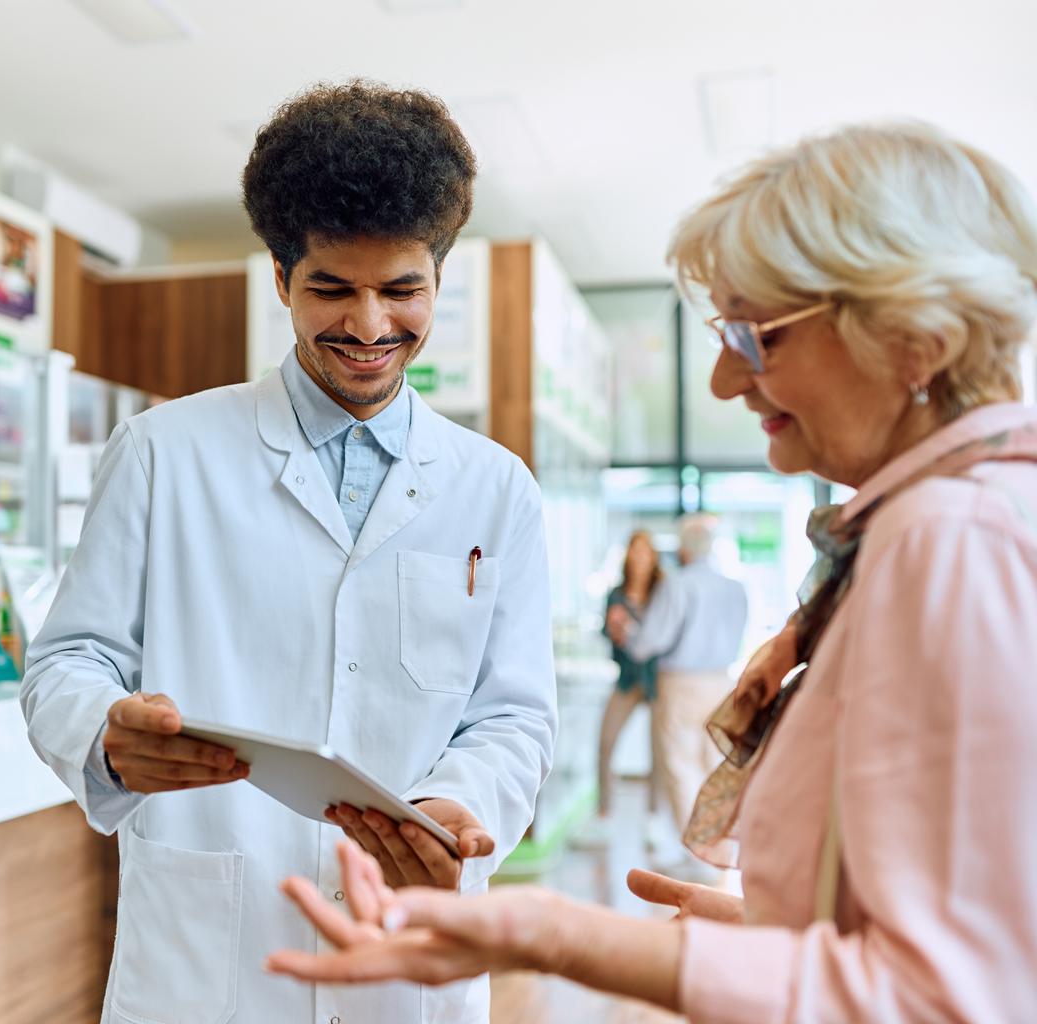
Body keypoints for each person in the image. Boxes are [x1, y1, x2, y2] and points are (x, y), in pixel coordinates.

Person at [266, 121, 1037, 1021]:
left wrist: (552, 933)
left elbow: (964, 995)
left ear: (919, 339)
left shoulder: (959, 542)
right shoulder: (934, 529)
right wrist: (773, 929)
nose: (720, 381)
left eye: (758, 339)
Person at [20, 80, 557, 1024]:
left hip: (407, 950)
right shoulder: (162, 453)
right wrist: (107, 729)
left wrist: (464, 802)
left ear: (440, 278)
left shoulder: (495, 486)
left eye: (402, 290)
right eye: (331, 289)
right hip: (211, 954)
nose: (369, 326)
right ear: (279, 277)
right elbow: (69, 659)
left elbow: (513, 713)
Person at [611, 514, 746, 858]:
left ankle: (699, 855)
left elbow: (647, 643)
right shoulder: (735, 587)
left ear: (684, 549)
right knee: (713, 765)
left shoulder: (679, 585)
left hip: (681, 686)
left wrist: (626, 631)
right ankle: (720, 848)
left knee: (681, 766)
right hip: (722, 682)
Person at [590, 530, 663, 827]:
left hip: (657, 679)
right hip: (627, 679)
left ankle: (654, 815)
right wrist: (615, 628)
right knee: (606, 740)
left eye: (645, 551)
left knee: (658, 750)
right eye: (635, 550)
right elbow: (607, 633)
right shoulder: (616, 594)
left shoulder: (663, 592)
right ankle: (604, 810)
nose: (640, 557)